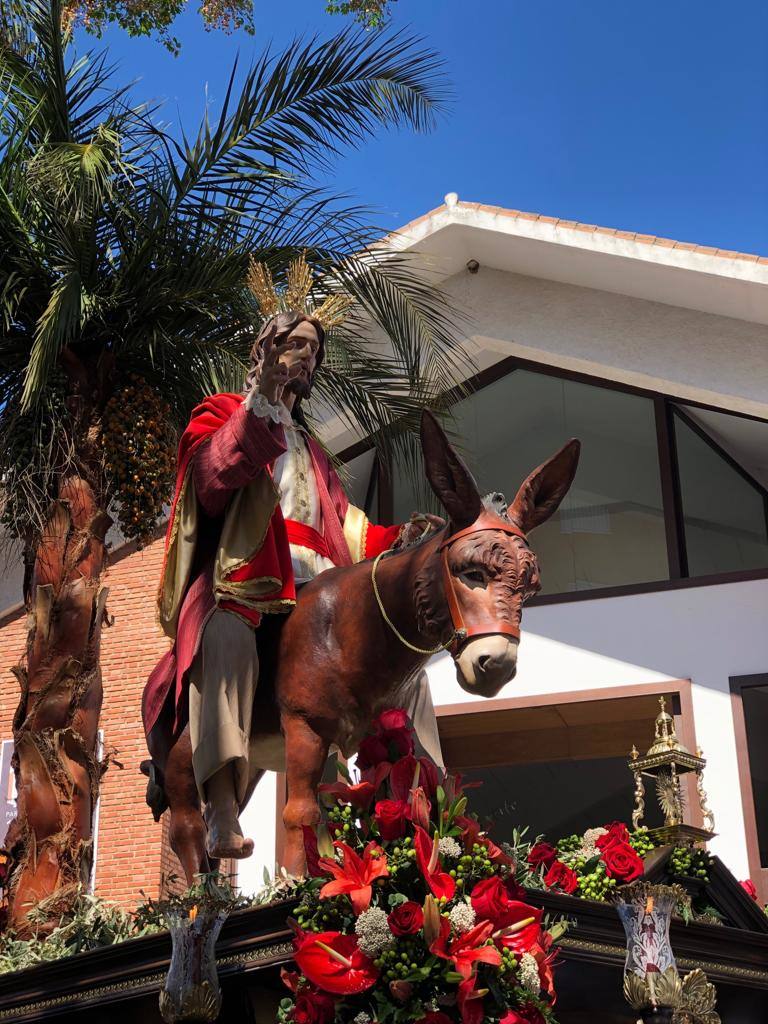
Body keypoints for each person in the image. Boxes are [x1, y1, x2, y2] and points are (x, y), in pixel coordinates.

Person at [143, 265, 439, 860]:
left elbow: (347, 525)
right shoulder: (221, 413)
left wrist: (398, 537)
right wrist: (258, 408)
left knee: (412, 669)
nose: (305, 357)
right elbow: (210, 479)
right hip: (245, 584)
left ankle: (423, 797)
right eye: (293, 344)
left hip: (320, 588)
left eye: (313, 349)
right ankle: (223, 801)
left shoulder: (311, 449)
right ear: (264, 350)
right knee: (224, 636)